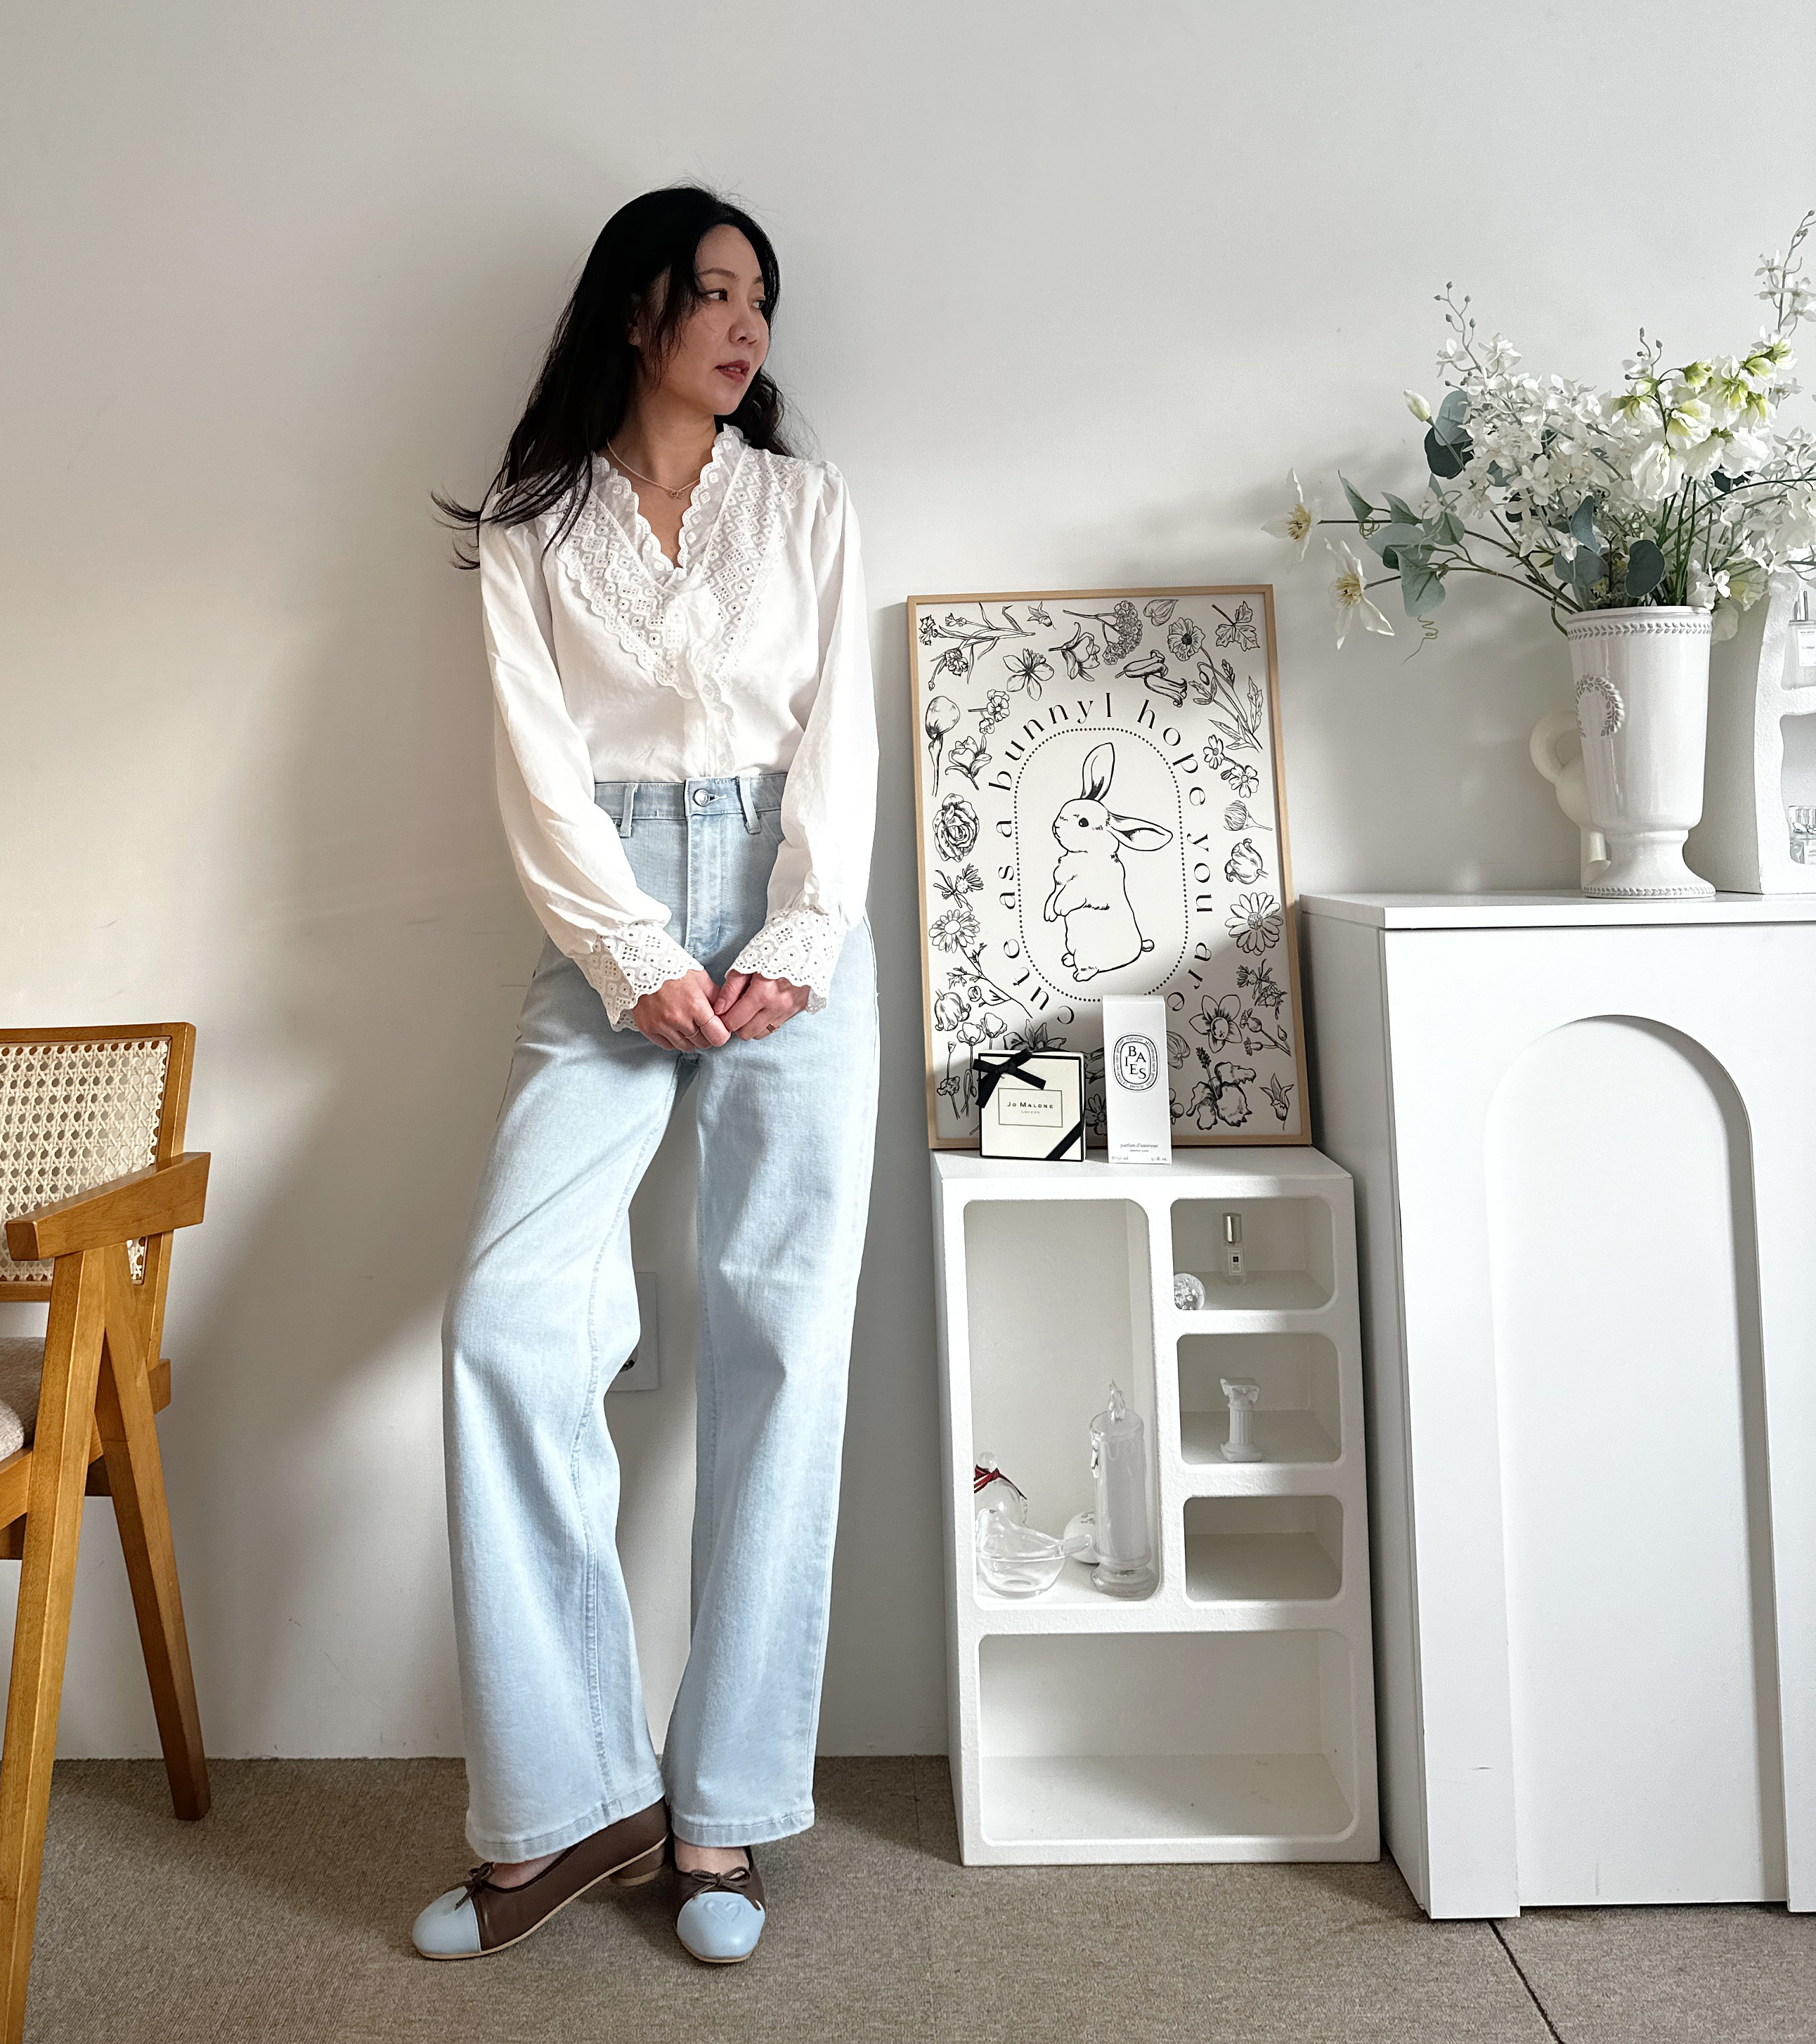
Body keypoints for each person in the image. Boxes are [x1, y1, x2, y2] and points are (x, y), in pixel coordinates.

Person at [411, 185, 878, 1969]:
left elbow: (836, 740)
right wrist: (633, 953)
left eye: (761, 298)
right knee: (507, 1318)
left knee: (783, 1337)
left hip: (790, 911)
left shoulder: (806, 506)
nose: (744, 325)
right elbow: (537, 772)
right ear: (634, 311)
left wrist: (794, 936)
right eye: (711, 292)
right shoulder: (534, 525)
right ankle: (571, 1799)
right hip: (602, 912)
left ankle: (720, 1810)